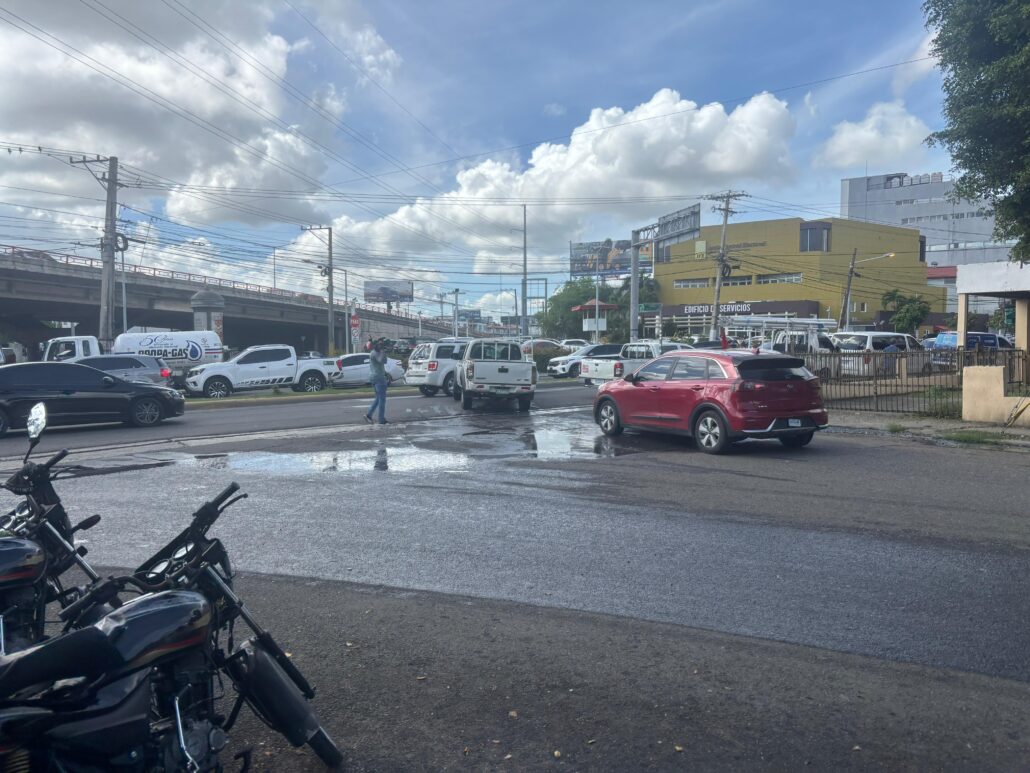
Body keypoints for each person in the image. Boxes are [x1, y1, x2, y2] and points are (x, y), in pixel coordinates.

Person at [365, 338, 389, 425]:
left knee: (378, 398)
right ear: (375, 345)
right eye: (379, 344)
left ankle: (369, 415)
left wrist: (384, 352)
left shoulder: (378, 352)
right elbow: (380, 360)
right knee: (382, 400)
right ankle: (381, 419)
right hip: (378, 378)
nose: (381, 346)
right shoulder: (374, 353)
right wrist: (383, 351)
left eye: (382, 344)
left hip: (376, 377)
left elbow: (385, 361)